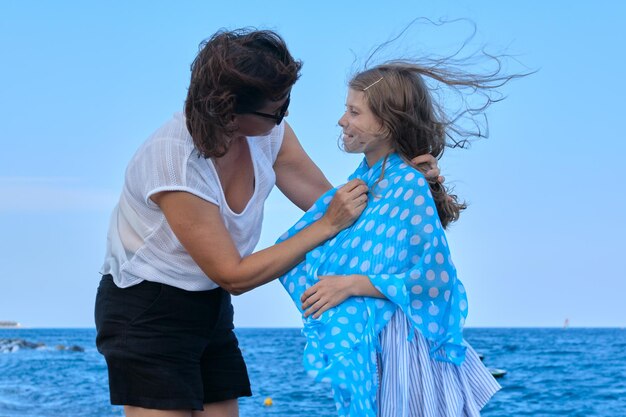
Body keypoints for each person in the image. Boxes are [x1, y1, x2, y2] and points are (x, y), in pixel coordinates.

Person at [95, 29, 441, 417]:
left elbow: (342, 211)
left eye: (286, 101)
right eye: (276, 109)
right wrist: (324, 227)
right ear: (228, 111)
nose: (285, 114)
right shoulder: (173, 161)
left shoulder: (269, 135)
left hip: (209, 304)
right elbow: (235, 275)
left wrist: (405, 184)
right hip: (148, 308)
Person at [278, 61, 511, 416]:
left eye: (354, 112)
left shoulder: (409, 184)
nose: (343, 121)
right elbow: (314, 242)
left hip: (406, 344)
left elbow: (435, 280)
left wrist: (352, 284)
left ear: (387, 124)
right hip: (380, 344)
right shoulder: (368, 181)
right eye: (346, 110)